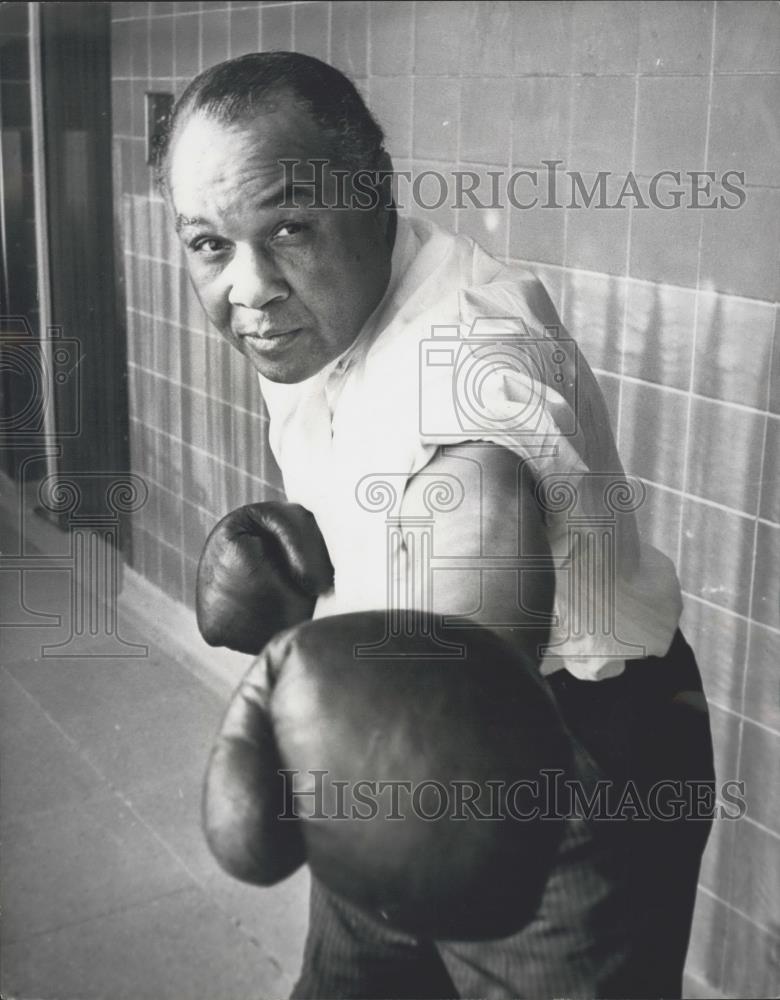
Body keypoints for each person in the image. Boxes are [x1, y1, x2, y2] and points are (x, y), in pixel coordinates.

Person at [157, 52, 715, 999]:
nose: (248, 286)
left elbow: (480, 489)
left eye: (290, 227)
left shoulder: (469, 351)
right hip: (379, 730)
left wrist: (446, 738)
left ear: (375, 197)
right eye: (209, 244)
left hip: (566, 763)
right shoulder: (326, 300)